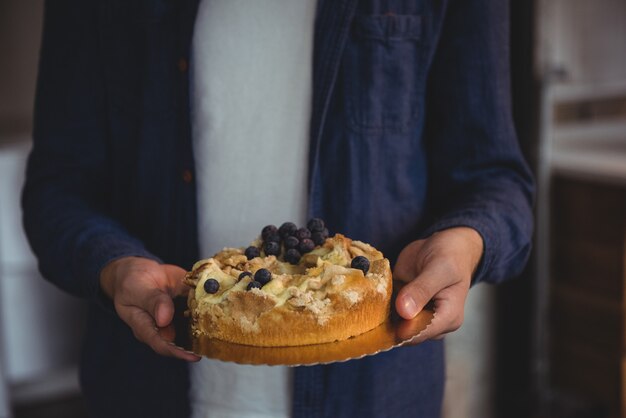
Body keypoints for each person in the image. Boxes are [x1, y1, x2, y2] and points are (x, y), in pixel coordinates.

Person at [22, 0, 534, 417]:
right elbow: (58, 188)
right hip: (145, 393)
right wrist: (114, 266)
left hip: (376, 398)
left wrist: (467, 242)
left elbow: (497, 181)